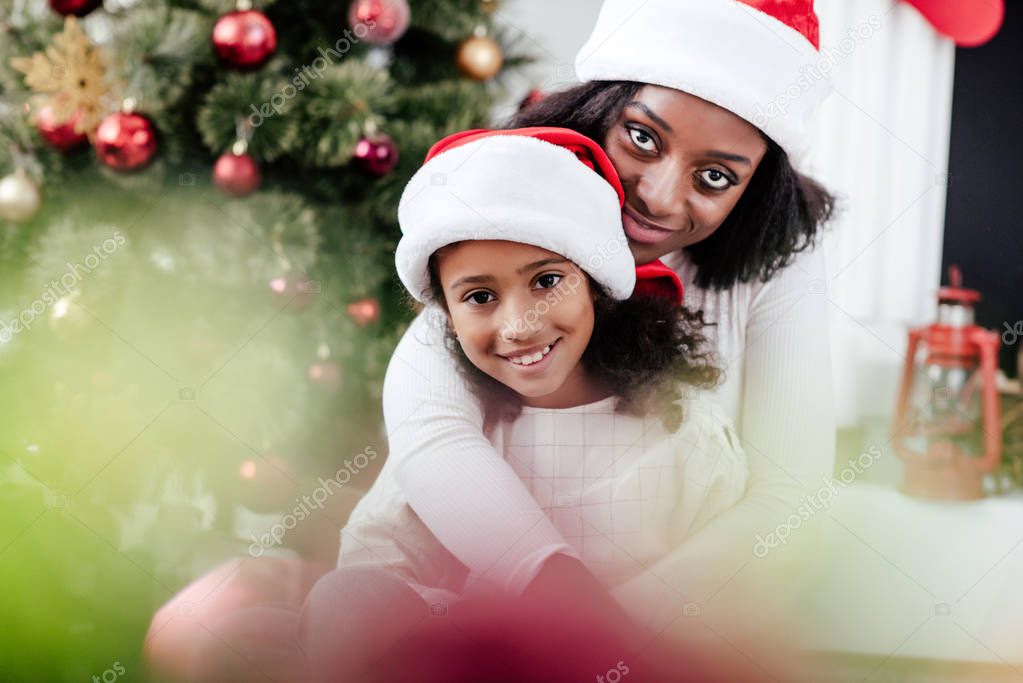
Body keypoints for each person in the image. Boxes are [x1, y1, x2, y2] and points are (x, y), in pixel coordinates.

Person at [383, 0, 837, 643]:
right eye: (643, 138)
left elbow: (791, 500)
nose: (656, 195)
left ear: (755, 191)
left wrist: (612, 643)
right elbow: (431, 433)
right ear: (597, 107)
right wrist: (562, 606)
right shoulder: (508, 197)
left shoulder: (776, 265)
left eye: (713, 177)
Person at [301, 127, 750, 681]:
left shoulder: (682, 428)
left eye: (547, 281)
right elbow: (378, 560)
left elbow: (726, 591)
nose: (519, 326)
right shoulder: (464, 430)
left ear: (596, 283)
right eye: (480, 297)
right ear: (447, 314)